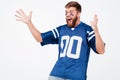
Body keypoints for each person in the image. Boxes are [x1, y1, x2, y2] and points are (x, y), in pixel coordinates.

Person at [15, 1, 105, 80]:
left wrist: (96, 31)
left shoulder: (87, 29)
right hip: (57, 73)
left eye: (71, 12)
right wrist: (29, 23)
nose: (68, 15)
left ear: (79, 14)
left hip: (76, 76)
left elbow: (101, 50)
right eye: (66, 12)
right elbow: (40, 38)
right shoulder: (61, 30)